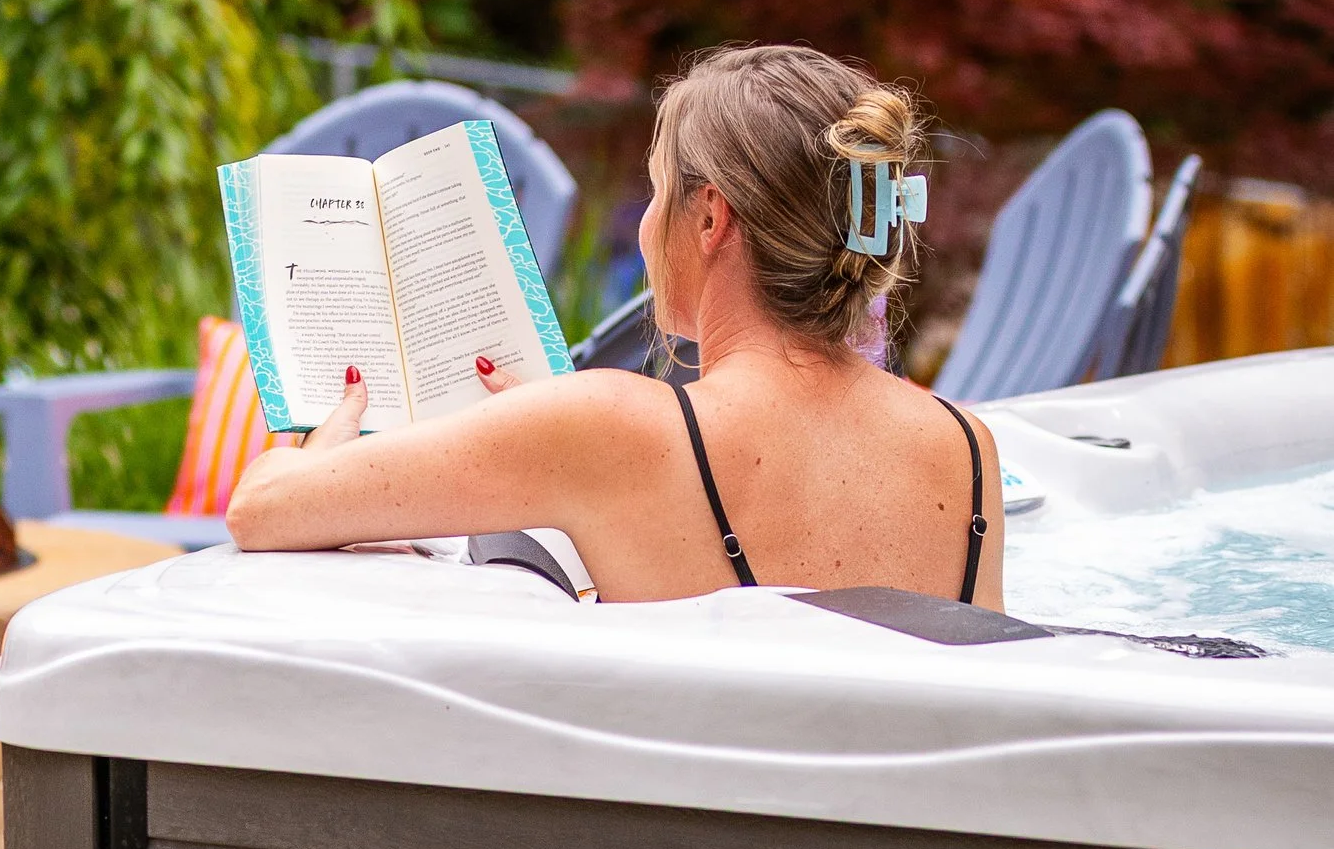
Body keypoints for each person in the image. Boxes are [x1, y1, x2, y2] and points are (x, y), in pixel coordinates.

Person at [226, 43, 1003, 609]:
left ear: (708, 217)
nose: (646, 224)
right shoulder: (964, 447)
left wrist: (312, 437)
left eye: (657, 191)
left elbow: (261, 510)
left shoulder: (609, 430)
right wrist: (548, 426)